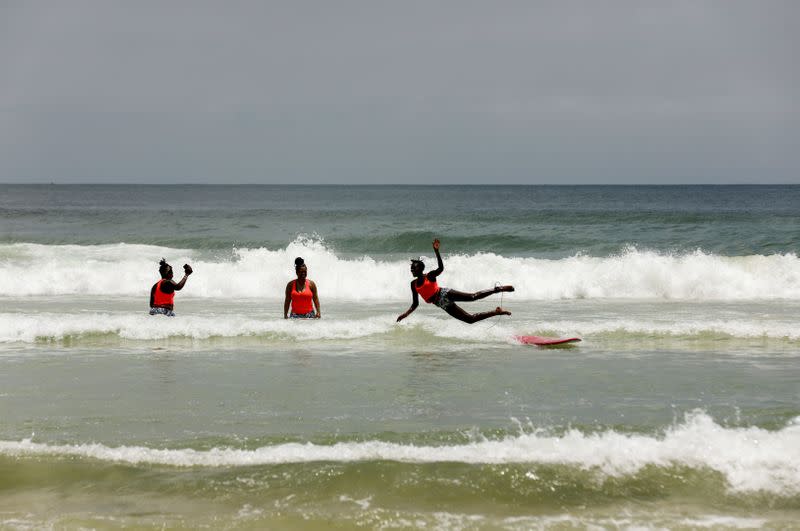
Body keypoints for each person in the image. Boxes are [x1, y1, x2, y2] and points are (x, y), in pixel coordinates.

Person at [397, 239, 513, 324]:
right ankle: (496, 312)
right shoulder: (413, 284)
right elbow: (415, 304)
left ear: (421, 268)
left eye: (414, 267)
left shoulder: (430, 276)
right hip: (441, 303)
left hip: (444, 293)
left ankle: (497, 289)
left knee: (473, 297)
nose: (412, 269)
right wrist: (405, 314)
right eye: (411, 268)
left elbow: (441, 269)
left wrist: (436, 251)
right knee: (470, 319)